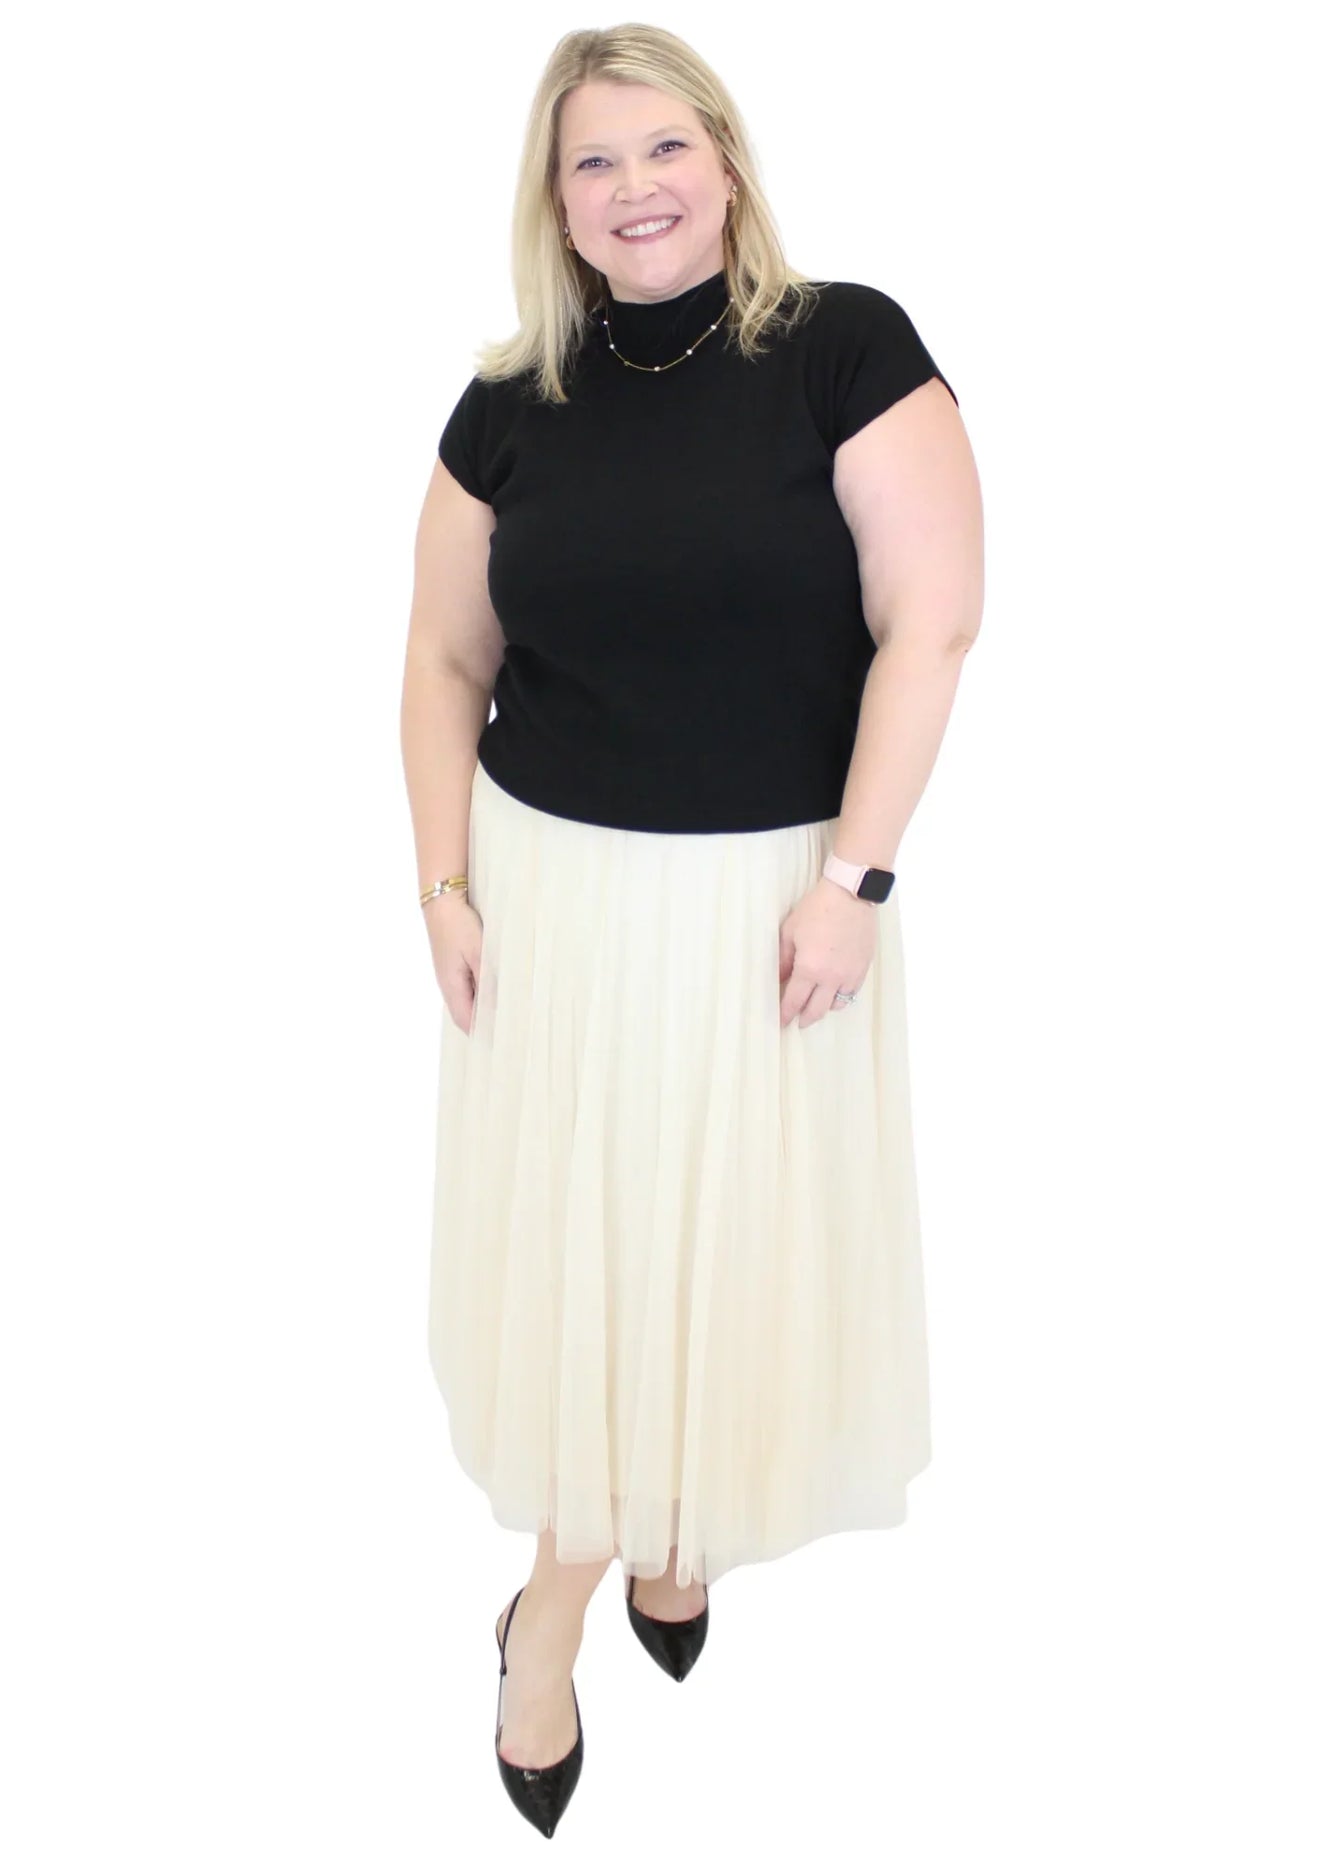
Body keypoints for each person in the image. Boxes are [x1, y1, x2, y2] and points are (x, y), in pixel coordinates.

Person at [399, 24, 983, 1839]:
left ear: (725, 163)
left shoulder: (843, 350)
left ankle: (621, 1562)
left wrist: (853, 882)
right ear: (555, 205)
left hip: (770, 907)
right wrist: (442, 885)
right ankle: (563, 1615)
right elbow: (438, 662)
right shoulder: (511, 404)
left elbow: (935, 623)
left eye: (666, 149)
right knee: (599, 1264)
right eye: (594, 163)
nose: (635, 188)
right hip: (554, 903)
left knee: (723, 1257)